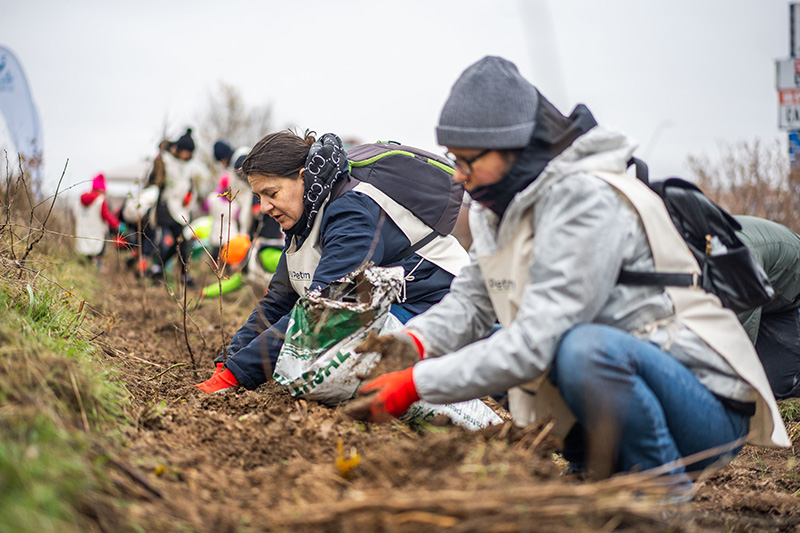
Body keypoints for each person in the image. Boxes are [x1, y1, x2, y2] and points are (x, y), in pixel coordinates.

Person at [352, 56, 789, 491]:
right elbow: (471, 302)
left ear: (513, 147)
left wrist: (416, 383)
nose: (460, 177)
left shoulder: (587, 199)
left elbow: (538, 339)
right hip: (616, 390)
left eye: (468, 160)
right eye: (454, 159)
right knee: (538, 349)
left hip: (701, 405)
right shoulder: (495, 206)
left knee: (581, 347)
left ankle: (662, 491)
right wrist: (410, 345)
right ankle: (594, 471)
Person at [195, 131, 469, 393]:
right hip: (394, 302)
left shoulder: (352, 211)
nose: (264, 207)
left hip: (438, 301)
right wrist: (228, 360)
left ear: (303, 178)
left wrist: (236, 375)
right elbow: (278, 301)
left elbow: (326, 307)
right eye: (259, 197)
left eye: (272, 194)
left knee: (344, 364)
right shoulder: (303, 219)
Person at [735, 215, 800, 399]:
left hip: (788, 293)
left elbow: (737, 346)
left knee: (779, 382)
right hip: (769, 294)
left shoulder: (741, 268)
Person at [148, 128, 202, 283]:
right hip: (166, 207)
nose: (186, 155)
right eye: (184, 151)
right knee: (175, 240)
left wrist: (189, 196)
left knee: (182, 241)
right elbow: (154, 180)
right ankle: (175, 272)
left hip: (182, 208)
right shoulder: (165, 160)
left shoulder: (188, 167)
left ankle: (162, 269)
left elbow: (190, 186)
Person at [74, 173, 120, 269]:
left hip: (82, 231)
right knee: (97, 250)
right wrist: (117, 225)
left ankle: (84, 266)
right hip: (96, 232)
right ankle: (96, 266)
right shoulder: (100, 200)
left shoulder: (79, 201)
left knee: (84, 251)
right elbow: (107, 216)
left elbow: (74, 215)